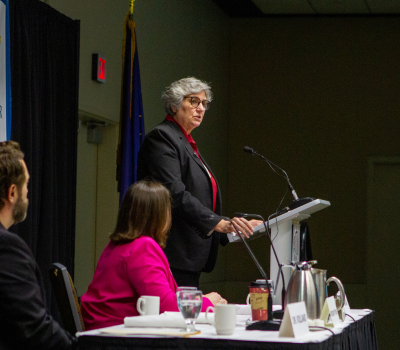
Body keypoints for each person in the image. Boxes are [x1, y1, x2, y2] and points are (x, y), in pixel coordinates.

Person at [137, 77, 261, 288]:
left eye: (204, 103)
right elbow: (174, 193)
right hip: (172, 252)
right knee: (176, 316)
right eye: (194, 101)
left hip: (190, 255)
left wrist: (232, 227)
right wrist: (218, 223)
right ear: (175, 105)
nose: (201, 108)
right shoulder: (162, 138)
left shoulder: (186, 142)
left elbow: (203, 196)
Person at [80, 180, 227, 331]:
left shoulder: (116, 246)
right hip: (116, 335)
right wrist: (205, 301)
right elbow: (164, 305)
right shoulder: (143, 247)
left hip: (104, 330)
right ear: (160, 216)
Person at [0, 141, 75, 350]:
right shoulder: (7, 247)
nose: (28, 194)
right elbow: (33, 328)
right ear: (12, 192)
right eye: (26, 186)